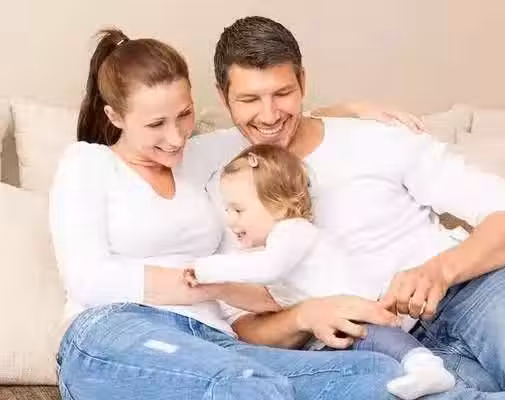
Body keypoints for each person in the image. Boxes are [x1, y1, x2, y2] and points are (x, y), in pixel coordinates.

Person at [180, 16, 505, 400]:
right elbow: (243, 323)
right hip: (376, 344)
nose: (270, 114)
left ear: (303, 82)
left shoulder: (374, 139)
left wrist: (440, 271)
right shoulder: (221, 182)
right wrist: (304, 317)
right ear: (223, 96)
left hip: (474, 292)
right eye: (250, 99)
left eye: (282, 93)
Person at [51, 28, 428, 400]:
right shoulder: (88, 163)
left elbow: (272, 129)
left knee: (378, 375)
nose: (176, 137)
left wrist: (348, 112)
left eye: (184, 114)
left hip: (212, 340)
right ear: (115, 117)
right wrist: (207, 282)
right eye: (155, 125)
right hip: (116, 329)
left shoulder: (200, 157)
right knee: (244, 385)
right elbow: (88, 278)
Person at [185, 143, 456, 399]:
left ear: (278, 206)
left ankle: (426, 365)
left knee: (376, 337)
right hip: (334, 327)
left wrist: (206, 268)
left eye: (238, 210)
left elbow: (267, 269)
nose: (229, 220)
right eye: (227, 209)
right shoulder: (273, 250)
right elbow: (266, 301)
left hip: (361, 311)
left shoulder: (292, 232)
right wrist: (217, 290)